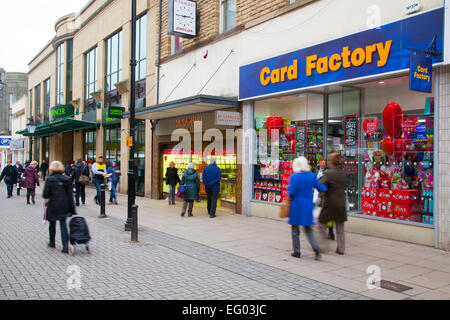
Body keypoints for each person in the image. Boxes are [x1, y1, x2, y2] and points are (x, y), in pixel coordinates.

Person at [288, 157, 328, 261]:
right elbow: (321, 188)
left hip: (296, 205)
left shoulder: (294, 177)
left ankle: (297, 251)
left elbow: (291, 192)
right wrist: (329, 187)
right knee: (308, 229)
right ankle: (316, 249)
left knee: (295, 230)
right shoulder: (312, 176)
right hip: (307, 205)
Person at [43, 161, 75, 254]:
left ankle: (52, 242)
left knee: (52, 224)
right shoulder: (67, 179)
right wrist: (72, 208)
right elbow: (70, 195)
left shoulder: (50, 179)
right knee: (63, 225)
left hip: (53, 204)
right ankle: (65, 245)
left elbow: (45, 195)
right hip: (64, 204)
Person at [318, 153, 348, 255]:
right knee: (340, 227)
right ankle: (341, 248)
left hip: (330, 203)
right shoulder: (343, 173)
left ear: (331, 162)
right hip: (341, 202)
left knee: (322, 223)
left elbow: (320, 184)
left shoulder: (328, 173)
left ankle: (323, 246)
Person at [316, 158, 335, 241]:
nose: (322, 164)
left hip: (325, 194)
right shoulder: (316, 170)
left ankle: (330, 231)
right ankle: (324, 231)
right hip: (318, 194)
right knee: (320, 212)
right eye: (321, 162)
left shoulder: (327, 172)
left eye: (324, 163)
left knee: (327, 214)